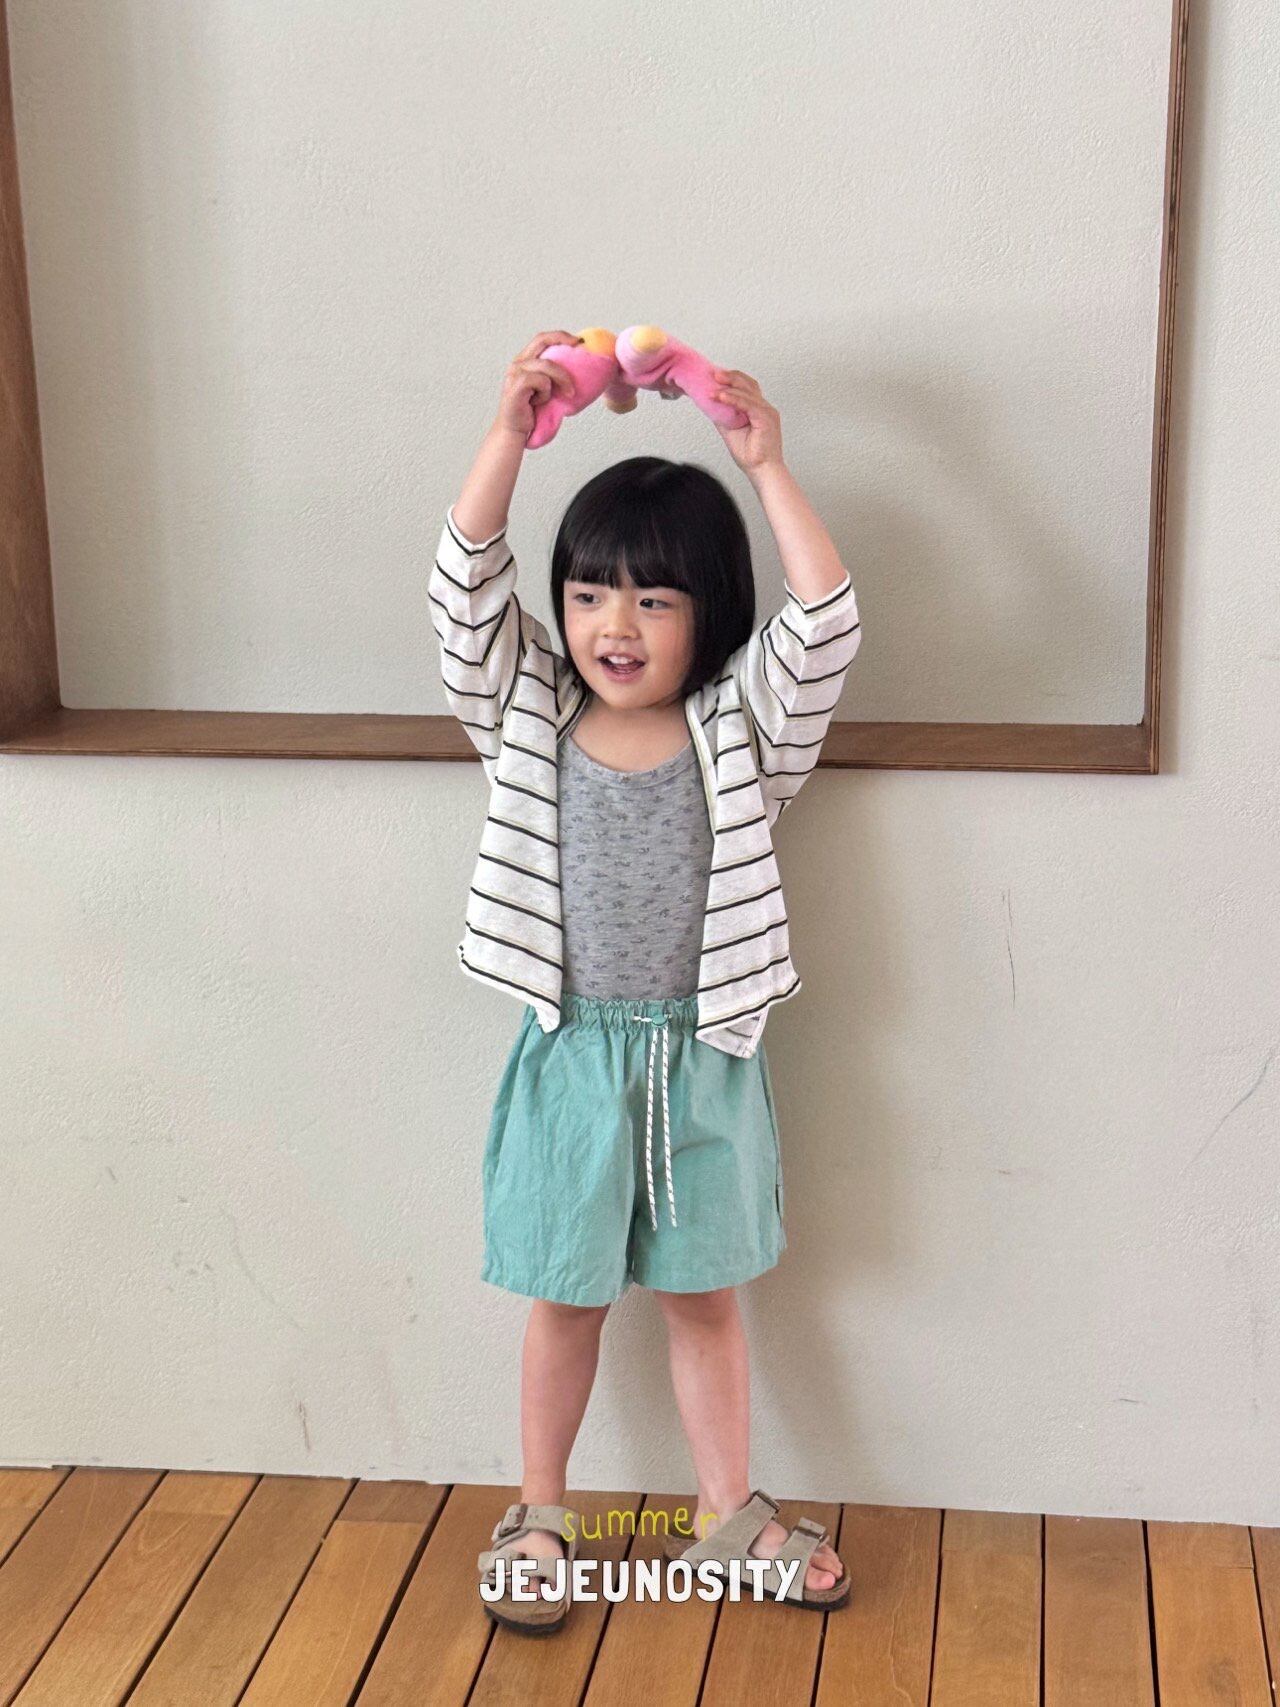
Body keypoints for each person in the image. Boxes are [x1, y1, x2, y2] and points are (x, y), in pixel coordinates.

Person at [430, 330, 864, 1625]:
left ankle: (726, 1514)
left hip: (703, 1058)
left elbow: (825, 625)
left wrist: (766, 465)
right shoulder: (526, 710)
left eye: (654, 601)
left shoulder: (742, 731)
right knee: (564, 1302)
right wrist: (510, 436)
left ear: (707, 614)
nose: (613, 625)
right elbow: (464, 591)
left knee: (703, 1299)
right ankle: (540, 1512)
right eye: (589, 594)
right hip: (569, 1055)